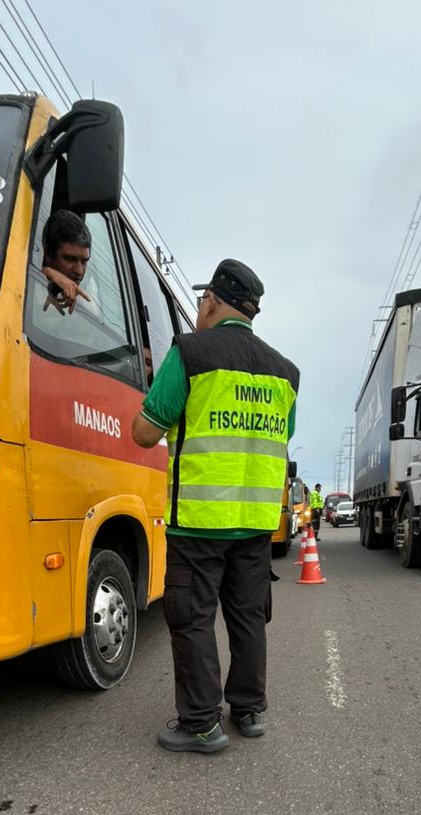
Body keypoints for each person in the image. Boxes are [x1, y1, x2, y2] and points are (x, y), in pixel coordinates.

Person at [131, 258, 300, 754]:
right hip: (254, 524)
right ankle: (248, 711)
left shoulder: (189, 352)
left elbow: (144, 433)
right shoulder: (286, 373)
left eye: (203, 301)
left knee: (192, 618)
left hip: (199, 522)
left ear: (210, 301)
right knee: (248, 617)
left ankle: (202, 724)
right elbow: (281, 436)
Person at [41, 209, 92, 315]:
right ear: (48, 254)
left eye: (84, 262)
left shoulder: (87, 306)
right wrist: (45, 272)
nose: (79, 271)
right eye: (70, 259)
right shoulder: (24, 277)